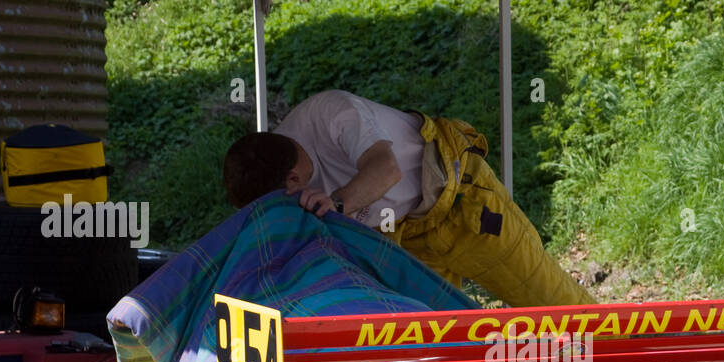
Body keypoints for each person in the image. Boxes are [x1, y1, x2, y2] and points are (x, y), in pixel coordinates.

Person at [222, 89, 594, 308]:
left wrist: (335, 204)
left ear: (292, 179)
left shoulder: (331, 113)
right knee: (439, 345)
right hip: (402, 236)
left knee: (552, 305)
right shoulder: (271, 173)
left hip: (462, 205)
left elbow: (387, 170)